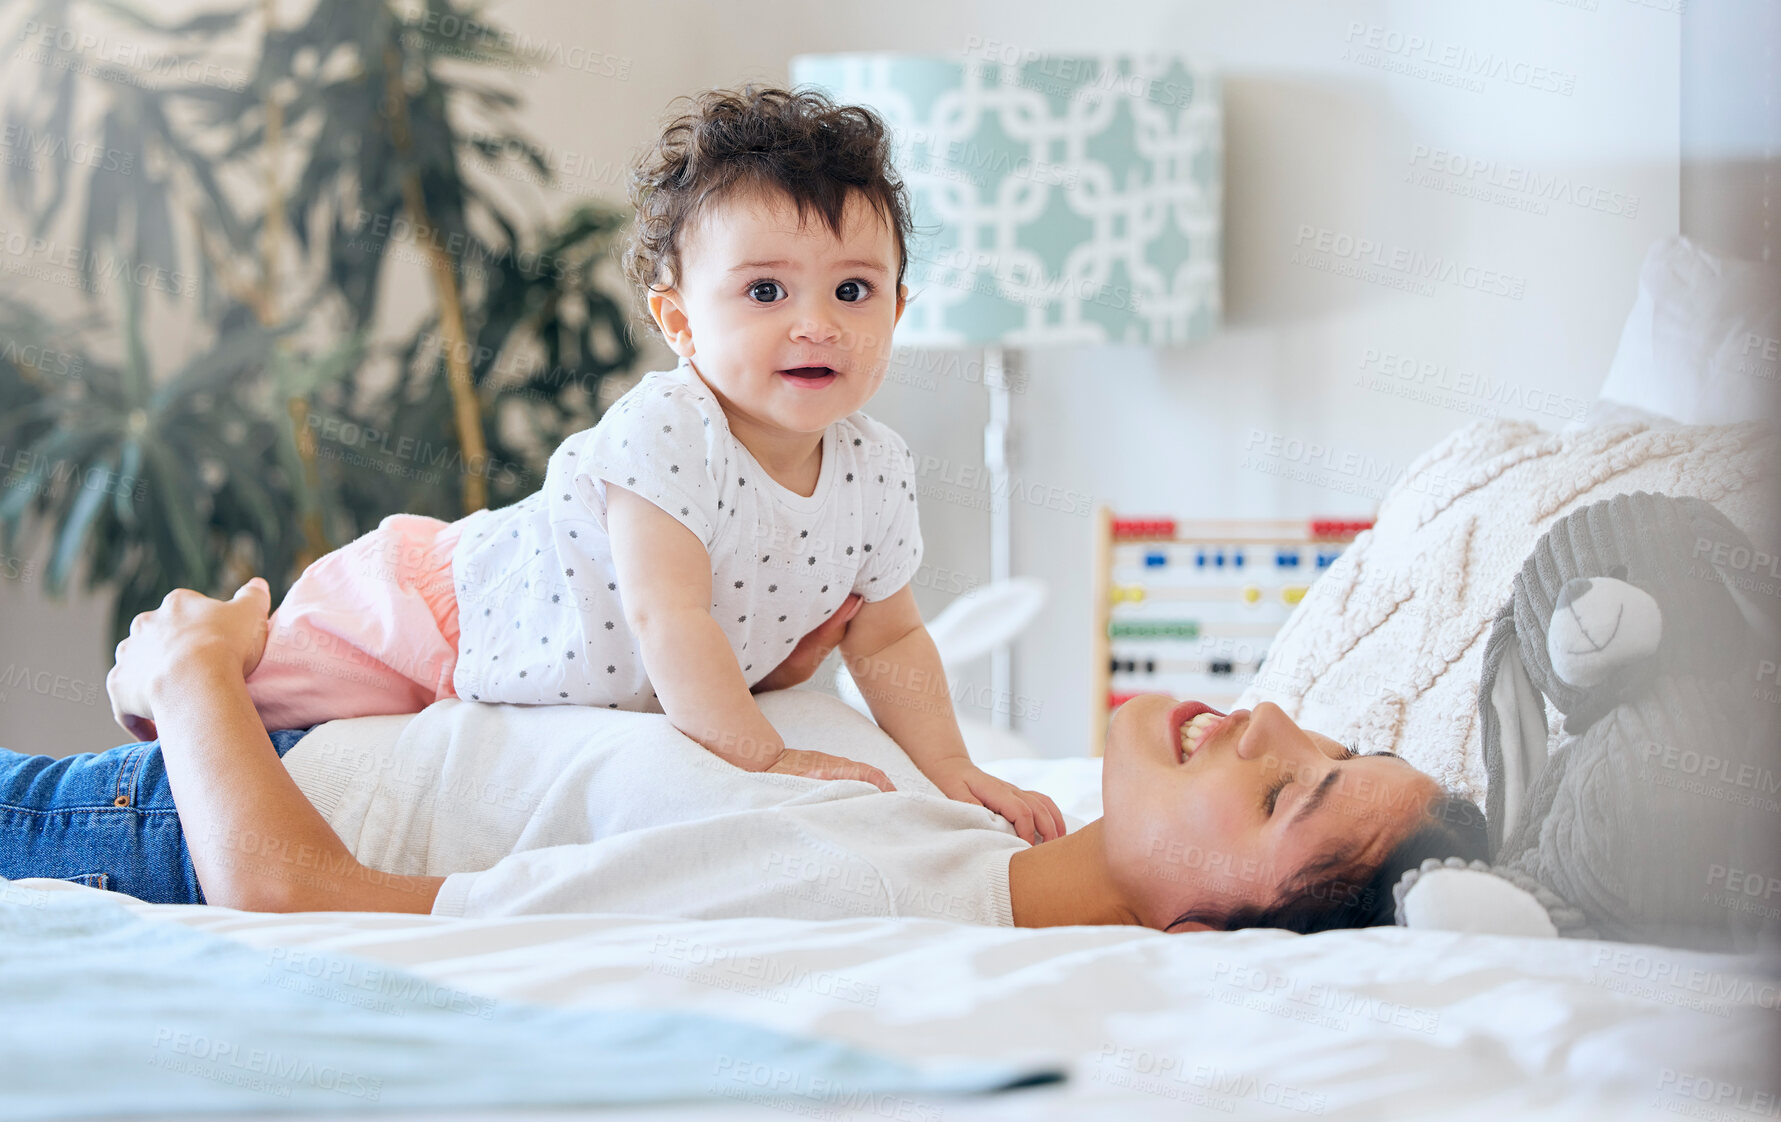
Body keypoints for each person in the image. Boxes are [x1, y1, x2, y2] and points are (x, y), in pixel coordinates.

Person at [107, 84, 1063, 843]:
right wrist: (758, 758)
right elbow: (666, 612)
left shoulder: (877, 468)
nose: (815, 322)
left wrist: (955, 770)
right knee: (245, 704)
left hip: (527, 669)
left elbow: (887, 640)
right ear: (679, 322)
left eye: (853, 289)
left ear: (897, 312)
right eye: (765, 289)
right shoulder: (670, 428)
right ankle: (142, 691)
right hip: (441, 613)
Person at [3, 579, 1487, 934]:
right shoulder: (966, 832)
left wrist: (194, 671)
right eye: (1326, 737)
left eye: (1289, 789)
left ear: (1221, 933)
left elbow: (288, 895)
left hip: (163, 823)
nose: (1271, 719)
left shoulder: (855, 901)